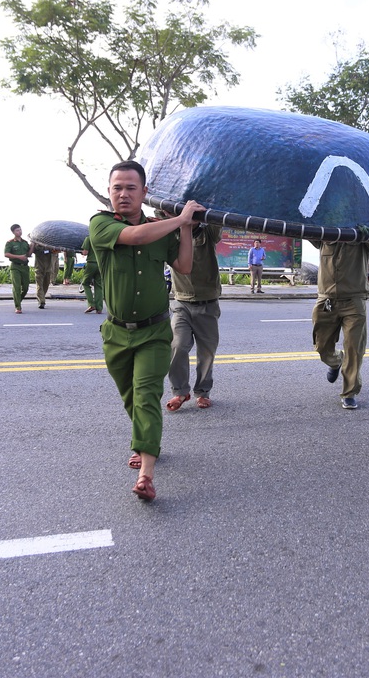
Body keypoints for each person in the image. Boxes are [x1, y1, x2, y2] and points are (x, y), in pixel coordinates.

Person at [89, 160, 204, 502]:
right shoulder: (101, 224)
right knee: (131, 398)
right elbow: (135, 235)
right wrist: (178, 219)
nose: (123, 194)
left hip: (154, 332)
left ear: (144, 192)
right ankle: (146, 442)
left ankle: (146, 474)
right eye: (117, 188)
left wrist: (185, 228)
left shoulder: (162, 228)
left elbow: (183, 265)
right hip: (116, 334)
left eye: (130, 188)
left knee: (146, 395)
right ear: (109, 192)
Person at [310, 237, 369, 410]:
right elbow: (306, 227)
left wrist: (367, 232)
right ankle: (335, 361)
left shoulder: (363, 239)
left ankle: (349, 392)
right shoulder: (325, 236)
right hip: (326, 300)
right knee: (322, 346)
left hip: (354, 301)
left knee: (354, 349)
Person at [165, 218, 223, 412]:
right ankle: (180, 391)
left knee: (206, 352)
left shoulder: (209, 233)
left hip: (207, 303)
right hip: (182, 303)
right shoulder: (172, 232)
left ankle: (203, 392)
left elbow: (219, 213)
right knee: (177, 345)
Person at [3, 224, 32, 314]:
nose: (19, 231)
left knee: (26, 288)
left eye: (20, 230)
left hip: (25, 267)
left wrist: (33, 244)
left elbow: (29, 254)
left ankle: (18, 300)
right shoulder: (10, 242)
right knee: (17, 287)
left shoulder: (25, 243)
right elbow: (6, 254)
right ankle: (18, 306)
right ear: (13, 232)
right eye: (17, 230)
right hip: (15, 267)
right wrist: (19, 257)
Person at [31, 242, 59, 309]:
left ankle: (41, 297)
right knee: (39, 285)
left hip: (48, 269)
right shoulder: (36, 246)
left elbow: (57, 250)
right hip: (39, 269)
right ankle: (42, 301)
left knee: (46, 285)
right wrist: (33, 244)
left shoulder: (49, 246)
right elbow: (32, 251)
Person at [80, 235, 103, 314]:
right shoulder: (101, 238)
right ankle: (99, 308)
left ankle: (91, 304)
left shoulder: (89, 238)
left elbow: (85, 252)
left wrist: (82, 252)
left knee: (85, 283)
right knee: (99, 286)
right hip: (100, 264)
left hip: (91, 264)